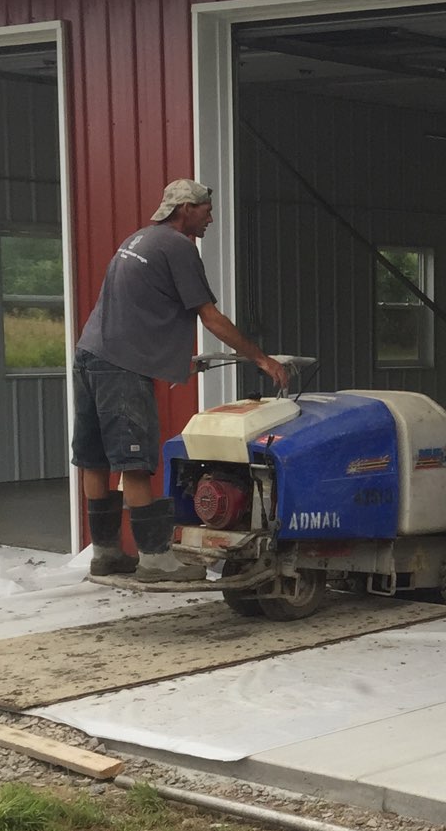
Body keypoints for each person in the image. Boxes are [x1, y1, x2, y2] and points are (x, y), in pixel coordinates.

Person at [72, 179, 290, 581]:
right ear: (185, 208)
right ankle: (155, 559)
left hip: (90, 356)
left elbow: (138, 309)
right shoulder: (177, 247)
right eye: (206, 209)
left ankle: (105, 553)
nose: (210, 216)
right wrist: (261, 359)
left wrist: (172, 360)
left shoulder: (140, 240)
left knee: (94, 459)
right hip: (121, 365)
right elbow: (210, 317)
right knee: (134, 462)